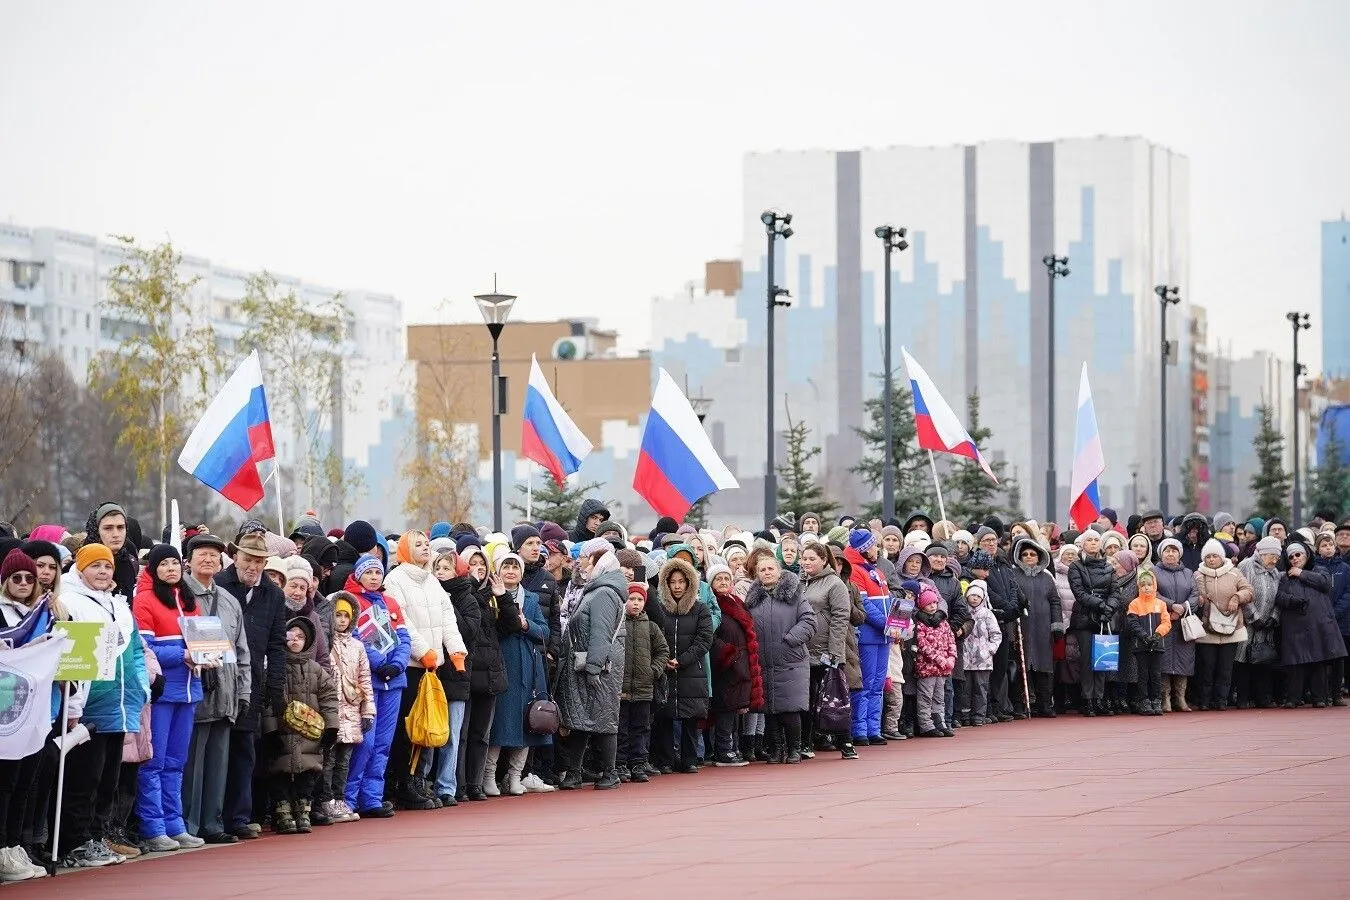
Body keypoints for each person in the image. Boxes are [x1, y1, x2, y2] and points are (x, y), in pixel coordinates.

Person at [59, 543, 148, 868]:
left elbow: (137, 650)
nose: (102, 572)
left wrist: (141, 689)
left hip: (120, 706)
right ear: (81, 569)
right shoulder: (70, 602)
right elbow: (73, 658)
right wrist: (74, 706)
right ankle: (76, 842)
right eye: (95, 566)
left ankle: (96, 837)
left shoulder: (119, 605)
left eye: (107, 567)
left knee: (108, 780)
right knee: (85, 779)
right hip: (89, 708)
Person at [382, 530, 467, 810]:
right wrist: (424, 651)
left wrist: (455, 650)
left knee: (427, 723)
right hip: (410, 665)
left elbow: (447, 618)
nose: (425, 548)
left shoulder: (432, 581)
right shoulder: (395, 580)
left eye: (426, 544)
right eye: (418, 545)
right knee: (407, 726)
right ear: (405, 550)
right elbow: (401, 621)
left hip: (433, 667)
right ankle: (403, 783)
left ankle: (418, 780)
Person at [132, 544, 207, 852]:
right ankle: (154, 827)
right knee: (155, 761)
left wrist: (209, 654)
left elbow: (207, 641)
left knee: (177, 762)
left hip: (190, 690)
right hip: (162, 692)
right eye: (163, 564)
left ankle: (175, 824)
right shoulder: (145, 601)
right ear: (153, 569)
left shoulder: (189, 601)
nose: (171, 568)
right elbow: (145, 649)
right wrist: (183, 654)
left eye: (175, 562)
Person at [215, 531, 288, 840]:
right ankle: (210, 817)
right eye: (247, 559)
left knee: (245, 750)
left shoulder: (273, 594)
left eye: (259, 561)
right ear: (235, 557)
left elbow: (277, 644)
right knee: (216, 750)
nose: (253, 566)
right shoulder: (218, 584)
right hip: (216, 678)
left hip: (252, 680)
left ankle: (239, 817)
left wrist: (275, 687)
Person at [179, 534, 250, 844]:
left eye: (213, 555)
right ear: (189, 561)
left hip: (226, 691)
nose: (208, 560)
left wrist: (243, 691)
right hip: (193, 689)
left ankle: (212, 822)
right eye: (202, 554)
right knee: (191, 762)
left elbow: (242, 650)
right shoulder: (179, 596)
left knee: (219, 761)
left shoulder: (230, 601)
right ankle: (188, 824)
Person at [342, 554, 410, 818]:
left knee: (383, 742)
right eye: (368, 573)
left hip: (394, 681)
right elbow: (354, 636)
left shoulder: (390, 602)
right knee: (364, 742)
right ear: (358, 575)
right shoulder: (350, 602)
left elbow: (404, 637)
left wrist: (398, 664)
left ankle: (372, 798)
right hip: (367, 681)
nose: (373, 577)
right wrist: (379, 663)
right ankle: (349, 798)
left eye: (377, 573)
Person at [261, 618, 338, 834]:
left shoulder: (316, 670)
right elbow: (267, 700)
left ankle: (303, 811)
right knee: (279, 772)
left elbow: (329, 698)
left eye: (300, 637)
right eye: (290, 636)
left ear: (308, 640)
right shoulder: (275, 668)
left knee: (309, 772)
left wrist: (331, 728)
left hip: (310, 734)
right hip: (282, 732)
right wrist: (270, 730)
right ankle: (283, 813)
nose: (295, 640)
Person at [485, 552, 552, 795]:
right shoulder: (490, 596)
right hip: (502, 663)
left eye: (515, 567)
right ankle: (489, 775)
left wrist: (526, 625)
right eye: (506, 566)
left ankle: (515, 776)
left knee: (526, 722)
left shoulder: (532, 599)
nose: (511, 571)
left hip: (528, 666)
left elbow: (544, 631)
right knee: (500, 722)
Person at [744, 549, 816, 763]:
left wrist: (790, 639)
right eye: (762, 570)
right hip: (764, 662)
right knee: (769, 710)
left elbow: (810, 621)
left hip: (790, 660)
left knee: (790, 709)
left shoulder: (795, 595)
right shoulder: (753, 599)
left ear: (779, 570)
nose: (767, 572)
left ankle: (794, 748)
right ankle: (776, 749)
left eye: (770, 568)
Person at [430, 550, 484, 802]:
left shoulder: (468, 598)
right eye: (437, 568)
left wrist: (448, 602)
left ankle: (446, 786)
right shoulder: (429, 594)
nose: (440, 572)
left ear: (457, 572)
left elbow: (468, 631)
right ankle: (423, 782)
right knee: (430, 731)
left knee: (452, 735)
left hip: (458, 674)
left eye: (445, 568)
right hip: (434, 672)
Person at [652, 554, 714, 775]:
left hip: (691, 671)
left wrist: (683, 659)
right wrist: (664, 659)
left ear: (689, 583)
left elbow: (704, 639)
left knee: (690, 718)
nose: (677, 587)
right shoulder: (660, 608)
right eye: (673, 582)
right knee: (665, 717)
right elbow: (655, 635)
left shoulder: (700, 609)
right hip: (665, 670)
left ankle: (689, 759)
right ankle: (666, 760)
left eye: (681, 582)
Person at [461, 546, 512, 801]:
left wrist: (503, 597)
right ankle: (459, 784)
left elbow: (510, 627)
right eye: (472, 564)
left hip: (490, 671)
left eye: (482, 565)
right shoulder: (461, 594)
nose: (478, 569)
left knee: (481, 734)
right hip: (468, 671)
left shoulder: (491, 596)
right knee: (462, 733)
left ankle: (475, 783)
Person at [799, 542, 855, 759]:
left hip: (827, 652)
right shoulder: (798, 582)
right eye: (804, 558)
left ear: (824, 560)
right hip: (804, 651)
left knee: (834, 698)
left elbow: (841, 618)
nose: (807, 563)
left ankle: (846, 743)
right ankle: (806, 743)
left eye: (812, 559)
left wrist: (834, 651)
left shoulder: (834, 584)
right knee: (807, 700)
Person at [321, 593, 372, 823]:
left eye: (345, 616)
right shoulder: (325, 641)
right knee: (328, 758)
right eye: (337, 614)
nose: (341, 620)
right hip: (330, 709)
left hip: (351, 709)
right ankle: (326, 799)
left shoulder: (358, 647)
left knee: (344, 760)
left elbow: (365, 679)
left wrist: (368, 710)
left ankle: (340, 798)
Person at [1276, 541, 1347, 708]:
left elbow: (1324, 583)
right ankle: (1293, 698)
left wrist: (1301, 573)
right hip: (1294, 626)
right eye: (1291, 556)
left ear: (1306, 555)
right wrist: (1292, 600)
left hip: (1318, 625)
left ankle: (1319, 698)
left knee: (1319, 662)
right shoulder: (1285, 577)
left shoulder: (1319, 570)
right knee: (1295, 664)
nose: (1294, 558)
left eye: (1298, 555)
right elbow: (1279, 597)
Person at [707, 563, 762, 766]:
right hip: (725, 665)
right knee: (725, 708)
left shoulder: (736, 601)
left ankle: (733, 747)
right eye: (718, 579)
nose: (723, 582)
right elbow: (710, 634)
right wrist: (729, 654)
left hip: (741, 664)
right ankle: (723, 750)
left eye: (726, 579)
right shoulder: (713, 604)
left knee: (736, 708)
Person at [1193, 539, 1254, 711]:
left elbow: (1249, 591)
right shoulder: (1198, 575)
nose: (1211, 559)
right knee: (1207, 667)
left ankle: (1221, 701)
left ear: (1221, 557)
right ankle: (1205, 701)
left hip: (1231, 627)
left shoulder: (1234, 573)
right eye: (1208, 556)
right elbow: (1192, 593)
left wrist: (1237, 597)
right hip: (1207, 628)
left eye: (1215, 556)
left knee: (1226, 669)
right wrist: (1198, 601)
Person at [617, 583, 670, 780]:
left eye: (639, 600)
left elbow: (663, 651)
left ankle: (638, 763)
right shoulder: (618, 624)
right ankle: (620, 764)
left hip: (644, 687)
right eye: (632, 599)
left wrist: (653, 671)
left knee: (641, 727)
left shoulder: (651, 627)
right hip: (620, 687)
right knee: (621, 728)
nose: (635, 603)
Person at [1007, 539, 1062, 718]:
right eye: (1025, 554)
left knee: (1044, 666)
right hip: (1021, 627)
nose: (1029, 557)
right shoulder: (1013, 575)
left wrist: (1057, 626)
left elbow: (1055, 601)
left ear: (1039, 557)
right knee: (1022, 666)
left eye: (1032, 554)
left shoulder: (1047, 577)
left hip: (1043, 628)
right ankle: (1020, 704)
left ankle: (1044, 703)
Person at [1068, 532, 1115, 716]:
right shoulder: (1076, 566)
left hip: (1104, 618)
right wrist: (1102, 605)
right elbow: (1079, 592)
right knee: (1087, 660)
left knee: (1103, 659)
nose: (1093, 543)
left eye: (1096, 540)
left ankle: (1100, 699)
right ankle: (1088, 700)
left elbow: (1115, 592)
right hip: (1084, 618)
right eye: (1089, 540)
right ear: (1082, 544)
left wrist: (1109, 608)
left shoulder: (1109, 567)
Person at [1152, 538, 1197, 713]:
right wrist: (1171, 605)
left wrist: (1183, 607)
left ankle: (1181, 698)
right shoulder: (1153, 571)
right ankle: (1165, 699)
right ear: (1161, 554)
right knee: (1163, 661)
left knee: (1184, 661)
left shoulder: (1188, 573)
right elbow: (1152, 592)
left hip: (1183, 624)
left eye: (1174, 551)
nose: (1170, 554)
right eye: (1167, 551)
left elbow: (1195, 594)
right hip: (1163, 622)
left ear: (1179, 554)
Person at [1126, 568, 1171, 715]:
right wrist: (1144, 636)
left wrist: (1157, 635)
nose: (1146, 587)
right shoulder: (1134, 604)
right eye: (1143, 585)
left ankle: (1156, 700)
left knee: (1156, 674)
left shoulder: (1161, 604)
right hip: (1141, 645)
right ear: (1139, 587)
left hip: (1157, 645)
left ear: (1154, 586)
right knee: (1143, 674)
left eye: (1149, 585)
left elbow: (1166, 622)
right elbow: (1133, 623)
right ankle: (1144, 701)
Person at [914, 584, 956, 737]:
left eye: (934, 603)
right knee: (926, 696)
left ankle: (940, 722)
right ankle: (926, 724)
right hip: (927, 668)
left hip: (942, 668)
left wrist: (951, 657)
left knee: (939, 696)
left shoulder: (943, 623)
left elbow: (951, 640)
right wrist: (939, 659)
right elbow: (922, 645)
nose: (932, 606)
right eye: (928, 604)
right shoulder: (921, 624)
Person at [960, 580, 1001, 725]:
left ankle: (979, 715)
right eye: (972, 596)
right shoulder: (963, 613)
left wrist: (990, 649)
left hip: (983, 660)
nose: (975, 598)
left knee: (981, 688)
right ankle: (965, 715)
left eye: (978, 596)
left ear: (983, 598)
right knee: (966, 689)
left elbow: (996, 634)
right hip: (965, 658)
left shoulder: (987, 614)